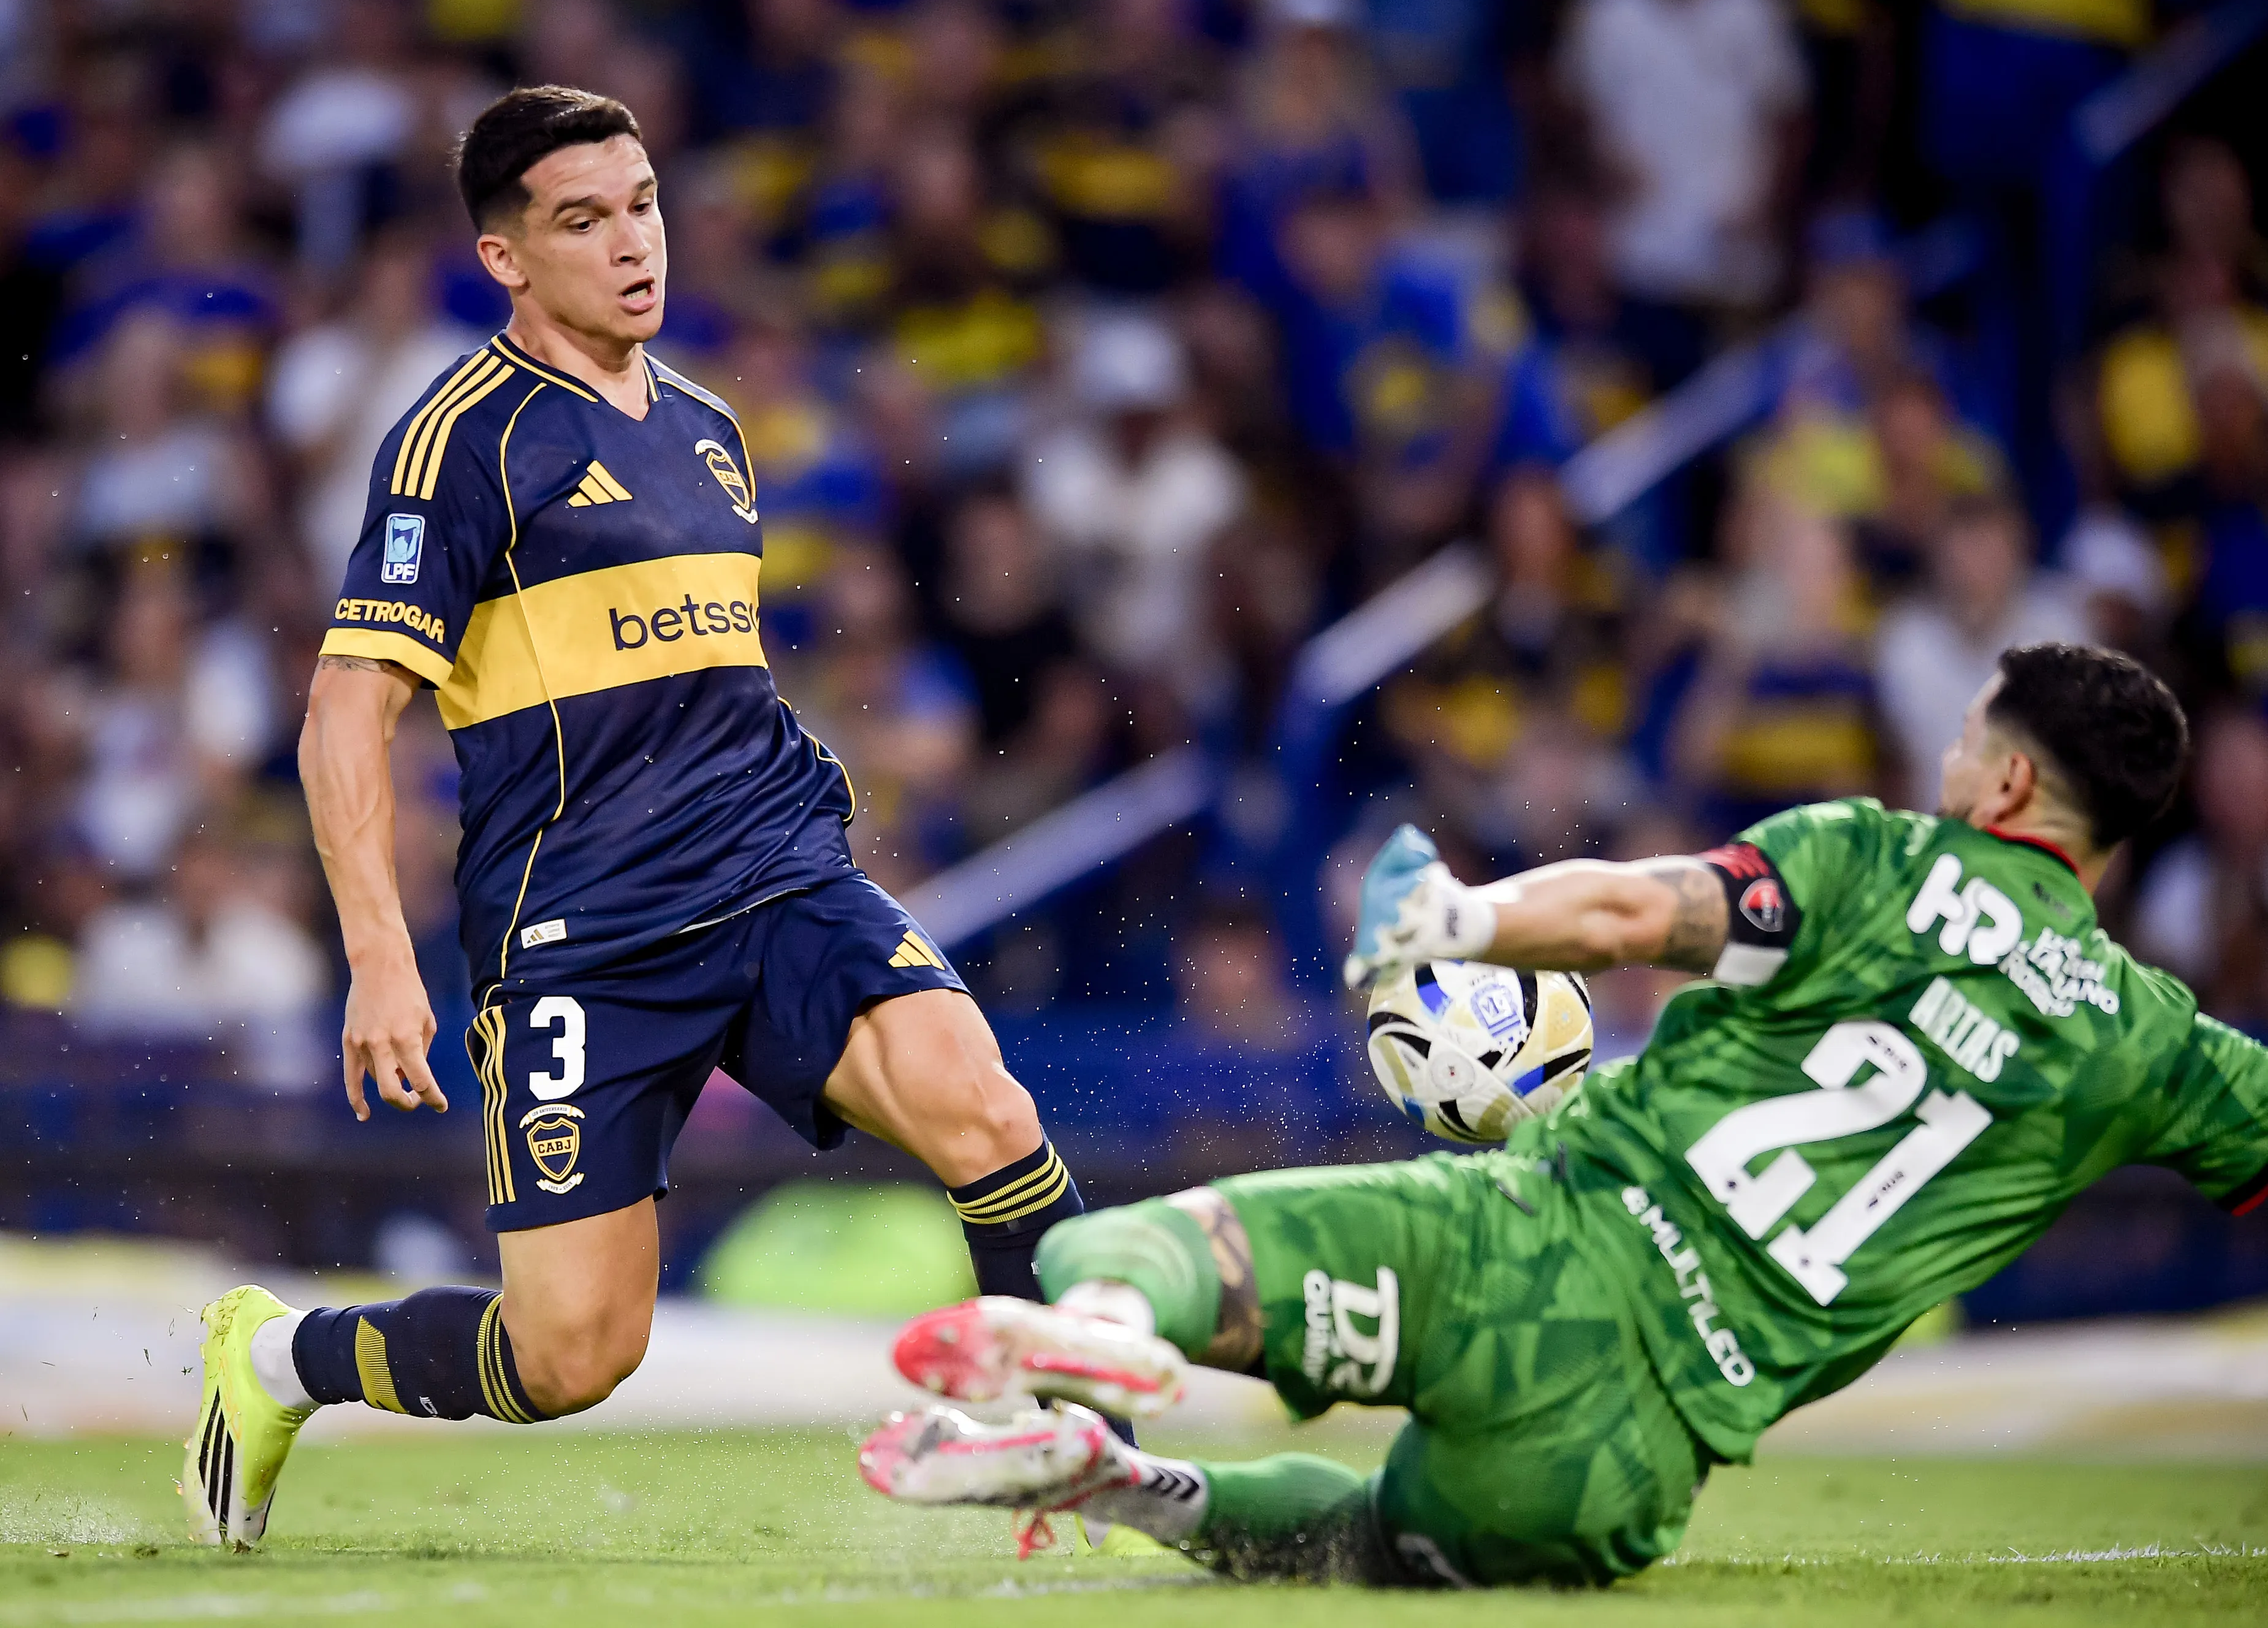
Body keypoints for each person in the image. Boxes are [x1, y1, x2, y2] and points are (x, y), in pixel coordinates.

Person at [181, 88, 1096, 1550]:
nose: (632, 245)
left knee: (983, 1107)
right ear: (506, 260)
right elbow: (346, 708)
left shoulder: (711, 425)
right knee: (573, 1355)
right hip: (584, 930)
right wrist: (375, 953)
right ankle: (283, 1356)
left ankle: (1067, 1456)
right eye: (582, 221)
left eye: (645, 205)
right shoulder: (459, 446)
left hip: (773, 869)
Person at [861, 642, 2267, 1587]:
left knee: (1162, 1253)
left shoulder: (1881, 857)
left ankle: (1087, 1351)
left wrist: (1458, 916)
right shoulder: (2158, 1047)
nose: (1950, 758)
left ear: (2008, 781)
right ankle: (1121, 1484)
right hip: (1635, 1453)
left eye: (1967, 737)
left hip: (1538, 1236)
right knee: (1362, 1543)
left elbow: (1623, 912)